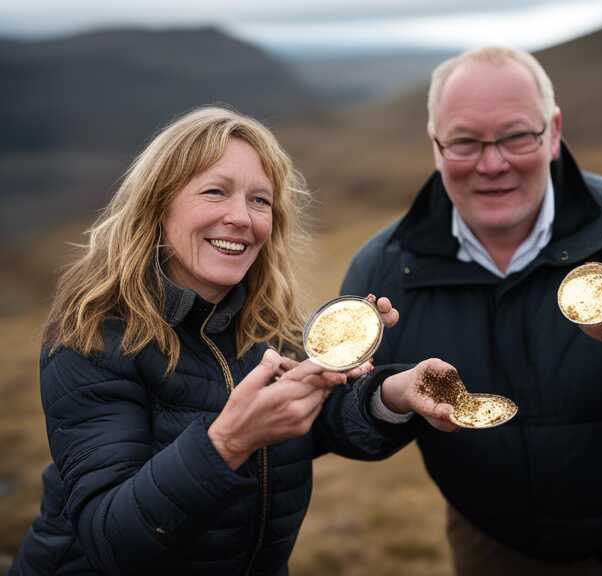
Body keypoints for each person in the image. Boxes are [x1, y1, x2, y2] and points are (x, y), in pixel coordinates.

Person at [341, 46, 602, 575]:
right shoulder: (382, 267)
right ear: (436, 145)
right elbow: (341, 418)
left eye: (517, 136)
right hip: (485, 544)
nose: (491, 163)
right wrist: (386, 399)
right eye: (465, 141)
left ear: (554, 132)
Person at [10, 106, 457, 576]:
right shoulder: (95, 336)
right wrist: (227, 441)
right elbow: (112, 540)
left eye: (260, 201)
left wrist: (394, 394)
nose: (241, 218)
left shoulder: (266, 324)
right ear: (158, 205)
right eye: (214, 192)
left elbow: (311, 420)